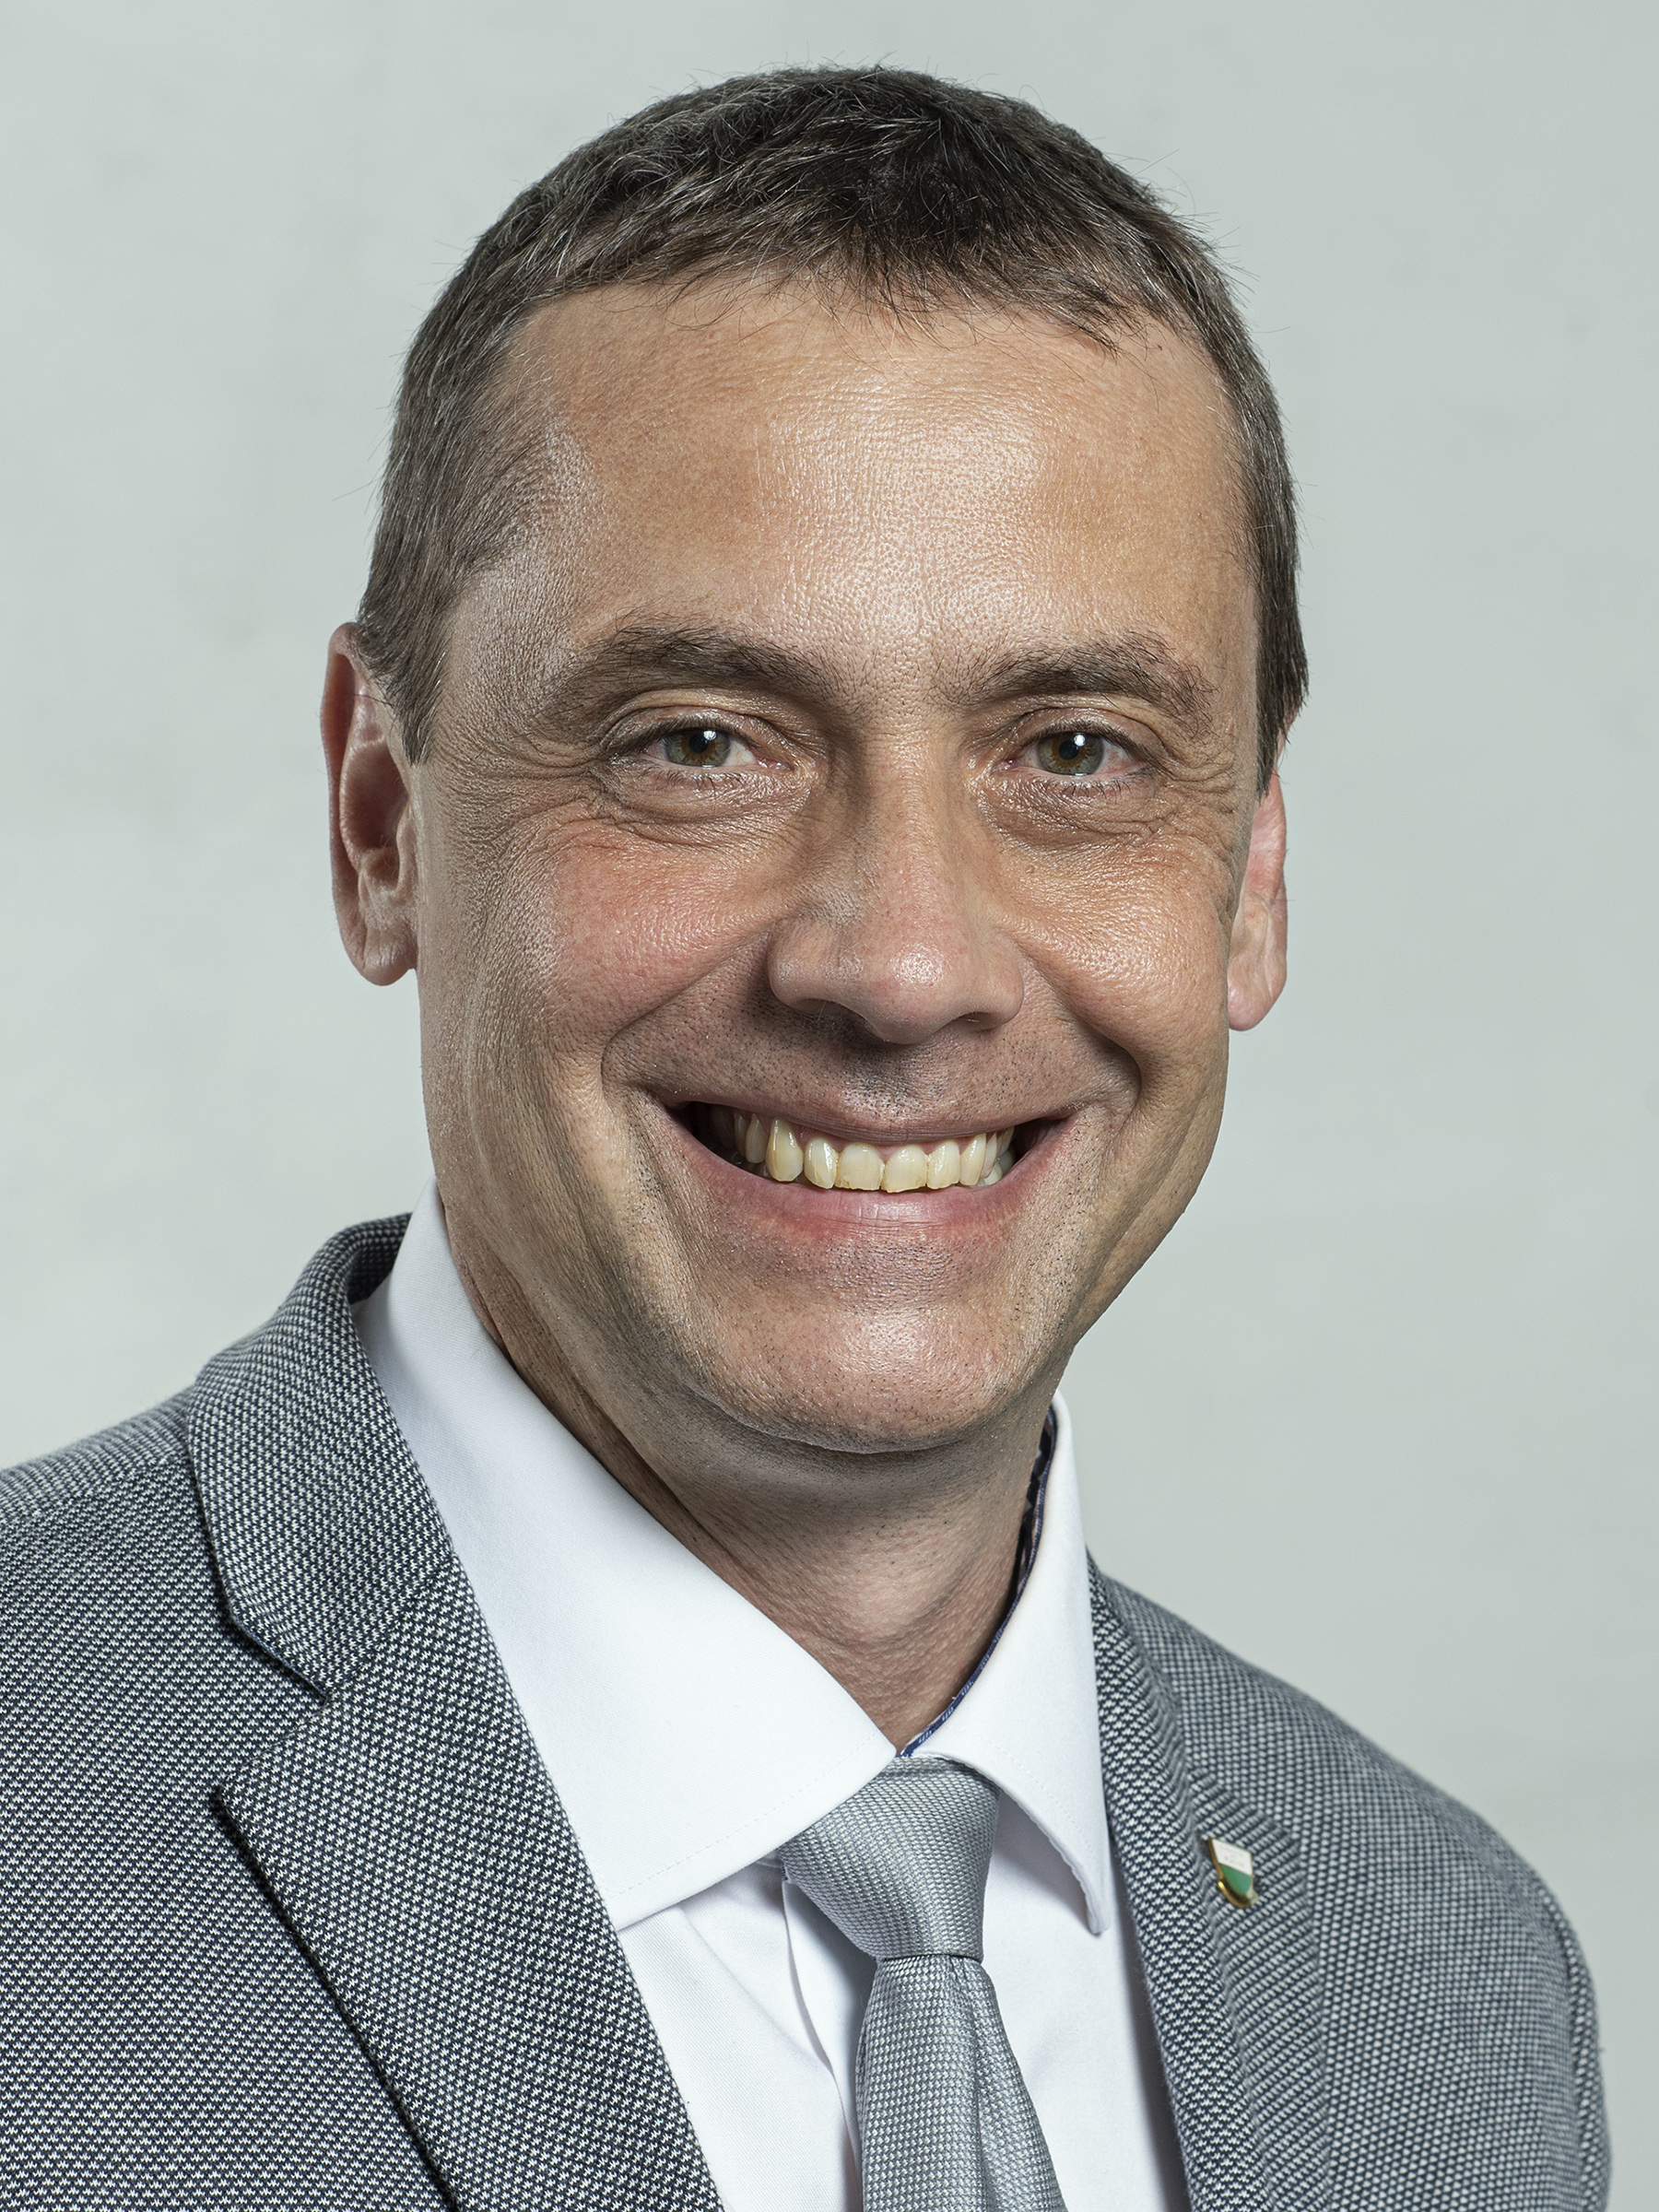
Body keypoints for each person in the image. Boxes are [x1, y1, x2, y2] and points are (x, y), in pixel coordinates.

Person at [0, 65, 1607, 2212]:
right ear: (380, 821)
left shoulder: (1451, 1983)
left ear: (1252, 877)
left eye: (1075, 751)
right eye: (701, 743)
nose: (905, 965)